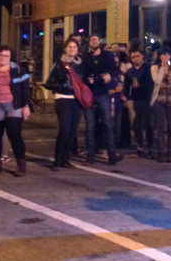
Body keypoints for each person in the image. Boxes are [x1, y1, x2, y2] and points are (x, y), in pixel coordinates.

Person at [0, 45, 31, 177]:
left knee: (14, 134)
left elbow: (25, 89)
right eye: (1, 55)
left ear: (10, 57)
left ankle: (21, 163)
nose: (3, 58)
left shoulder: (18, 70)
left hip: (13, 105)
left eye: (6, 56)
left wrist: (26, 106)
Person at [83, 35, 122, 165]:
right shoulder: (86, 57)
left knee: (107, 124)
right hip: (89, 94)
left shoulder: (107, 55)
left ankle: (111, 155)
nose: (94, 41)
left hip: (103, 93)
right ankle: (90, 155)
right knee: (90, 125)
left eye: (96, 39)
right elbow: (82, 73)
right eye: (92, 39)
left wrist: (109, 75)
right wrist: (87, 79)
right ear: (89, 43)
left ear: (100, 42)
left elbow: (115, 69)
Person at [45, 39, 84, 169]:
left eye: (74, 47)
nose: (72, 49)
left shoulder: (80, 65)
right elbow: (49, 83)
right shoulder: (59, 65)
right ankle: (57, 160)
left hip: (77, 100)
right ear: (65, 49)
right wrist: (63, 86)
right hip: (63, 99)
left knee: (72, 131)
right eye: (70, 47)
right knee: (65, 129)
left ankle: (65, 159)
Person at [151, 47, 171, 163]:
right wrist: (162, 69)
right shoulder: (155, 67)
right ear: (160, 56)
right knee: (160, 127)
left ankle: (170, 152)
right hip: (159, 100)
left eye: (168, 55)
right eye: (163, 55)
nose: (166, 57)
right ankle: (161, 152)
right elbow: (157, 81)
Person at [124, 49, 155, 158]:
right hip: (136, 99)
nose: (135, 59)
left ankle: (151, 147)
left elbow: (151, 83)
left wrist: (140, 86)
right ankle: (140, 146)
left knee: (149, 124)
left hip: (147, 98)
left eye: (137, 56)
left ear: (142, 56)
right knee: (136, 124)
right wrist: (125, 96)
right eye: (133, 57)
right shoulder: (130, 72)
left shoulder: (148, 68)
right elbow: (126, 86)